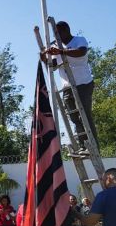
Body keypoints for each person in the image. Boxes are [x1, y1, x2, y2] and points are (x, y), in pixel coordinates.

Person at [41, 21, 97, 154]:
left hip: (83, 83)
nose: (57, 36)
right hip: (67, 86)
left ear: (66, 30)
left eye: (58, 33)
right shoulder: (56, 46)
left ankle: (93, 146)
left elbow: (81, 52)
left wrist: (61, 51)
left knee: (84, 115)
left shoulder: (79, 40)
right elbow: (53, 65)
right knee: (74, 117)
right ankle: (83, 145)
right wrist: (44, 57)